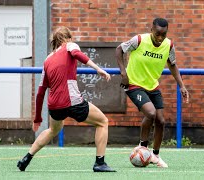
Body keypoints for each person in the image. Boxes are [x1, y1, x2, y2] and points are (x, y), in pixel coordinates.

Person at [17, 26, 116, 172]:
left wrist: (37, 118)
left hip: (54, 105)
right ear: (67, 38)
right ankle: (100, 163)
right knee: (103, 122)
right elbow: (78, 54)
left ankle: (26, 158)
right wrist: (98, 68)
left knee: (52, 130)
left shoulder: (47, 59)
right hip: (71, 101)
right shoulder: (69, 45)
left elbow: (40, 92)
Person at [115, 17, 189, 168]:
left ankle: (155, 155)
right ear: (151, 30)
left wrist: (182, 86)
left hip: (152, 86)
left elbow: (173, 65)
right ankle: (142, 147)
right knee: (150, 113)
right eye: (157, 34)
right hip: (133, 84)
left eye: (164, 34)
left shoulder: (169, 45)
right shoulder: (139, 40)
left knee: (161, 121)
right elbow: (119, 49)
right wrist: (123, 73)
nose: (160, 38)